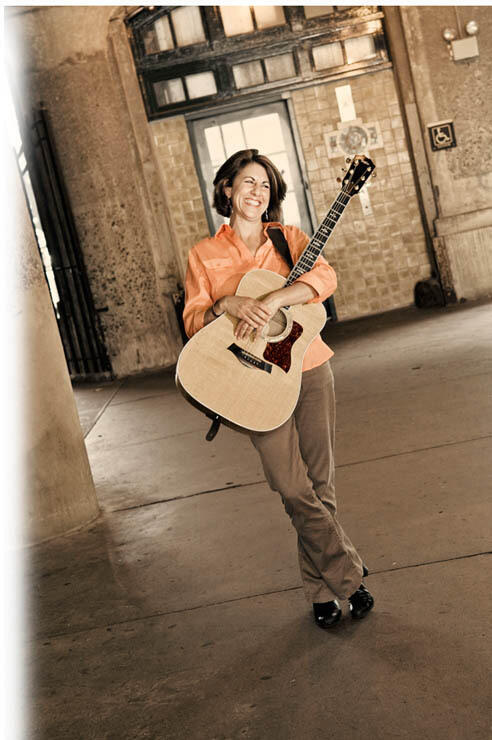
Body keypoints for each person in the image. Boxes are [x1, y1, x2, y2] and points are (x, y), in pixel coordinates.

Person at [182, 148, 374, 629]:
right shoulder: (203, 254)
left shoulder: (289, 239)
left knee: (320, 484)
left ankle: (320, 594)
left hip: (308, 368)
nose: (256, 192)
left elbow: (324, 277)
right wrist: (228, 302)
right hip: (248, 378)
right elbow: (192, 321)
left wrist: (275, 297)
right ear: (227, 188)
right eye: (247, 182)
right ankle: (349, 576)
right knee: (292, 487)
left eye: (265, 185)